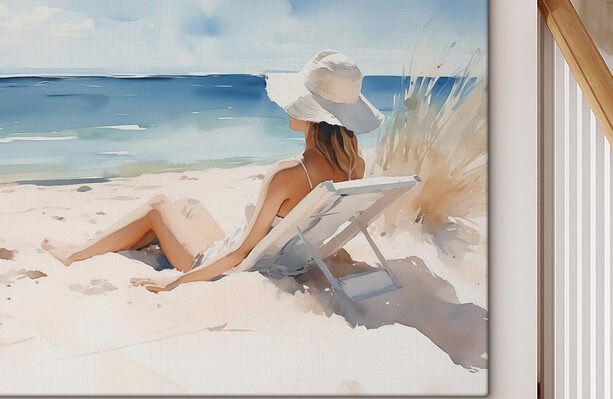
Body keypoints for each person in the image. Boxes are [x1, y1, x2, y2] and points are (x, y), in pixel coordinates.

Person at [42, 50, 384, 293]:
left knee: (158, 206)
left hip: (218, 263)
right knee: (189, 205)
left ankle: (75, 254)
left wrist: (175, 283)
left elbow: (238, 254)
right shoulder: (353, 168)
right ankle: (116, 242)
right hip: (278, 260)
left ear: (312, 112)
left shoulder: (288, 173)